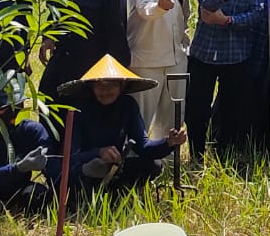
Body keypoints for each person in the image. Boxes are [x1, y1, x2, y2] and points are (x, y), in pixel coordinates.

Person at [47, 55, 185, 194]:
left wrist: (168, 142)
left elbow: (142, 146)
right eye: (99, 85)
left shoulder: (128, 105)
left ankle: (115, 192)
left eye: (111, 85)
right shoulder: (79, 110)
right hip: (84, 171)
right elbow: (70, 157)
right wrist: (98, 153)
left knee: (153, 165)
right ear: (91, 87)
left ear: (122, 85)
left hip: (114, 169)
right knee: (84, 171)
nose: (105, 91)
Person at [188, 0, 267, 158]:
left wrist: (228, 21)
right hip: (204, 52)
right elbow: (205, 4)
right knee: (197, 108)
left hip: (237, 55)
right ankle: (196, 153)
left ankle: (225, 153)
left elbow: (258, 12)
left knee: (233, 109)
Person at [123, 0, 194, 136]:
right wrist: (160, 7)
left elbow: (186, 15)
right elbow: (145, 10)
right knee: (140, 117)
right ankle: (136, 162)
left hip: (177, 60)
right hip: (147, 58)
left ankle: (164, 162)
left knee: (172, 117)